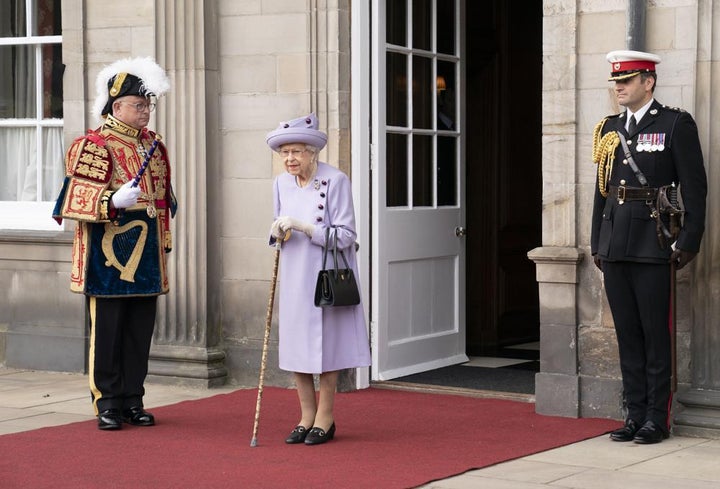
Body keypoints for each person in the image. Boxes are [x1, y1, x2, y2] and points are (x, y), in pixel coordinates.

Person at [52, 57, 176, 430]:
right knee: (107, 334)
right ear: (116, 105)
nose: (146, 112)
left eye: (148, 105)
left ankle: (132, 399)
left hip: (146, 255)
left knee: (139, 331)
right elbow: (71, 200)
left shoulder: (153, 144)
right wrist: (110, 201)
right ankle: (106, 401)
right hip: (106, 257)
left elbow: (163, 201)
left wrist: (164, 240)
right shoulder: (93, 144)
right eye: (139, 105)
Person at [591, 51, 707, 444]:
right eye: (616, 81)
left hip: (654, 242)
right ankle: (634, 414)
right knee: (627, 334)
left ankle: (657, 418)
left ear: (649, 82)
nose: (619, 86)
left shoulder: (675, 123)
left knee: (655, 334)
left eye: (627, 80)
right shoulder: (609, 128)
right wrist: (597, 243)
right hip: (615, 244)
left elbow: (695, 185)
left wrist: (689, 239)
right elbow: (602, 192)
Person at [266, 113, 371, 445]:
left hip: (326, 274)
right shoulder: (281, 183)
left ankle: (325, 417)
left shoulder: (335, 181)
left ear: (312, 152)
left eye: (297, 151)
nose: (290, 159)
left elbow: (347, 236)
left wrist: (307, 227)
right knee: (297, 345)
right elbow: (279, 225)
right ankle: (305, 416)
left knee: (328, 347)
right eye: (284, 152)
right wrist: (277, 232)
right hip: (296, 274)